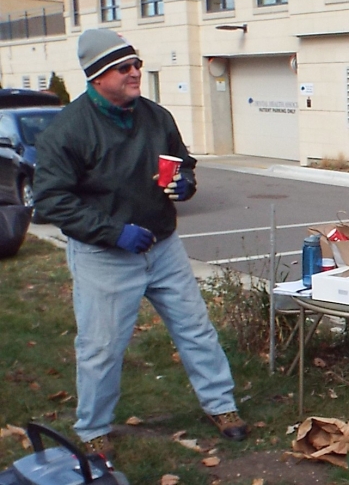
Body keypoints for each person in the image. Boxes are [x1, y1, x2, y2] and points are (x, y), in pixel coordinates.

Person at [32, 29, 248, 458]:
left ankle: (221, 404)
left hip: (162, 247)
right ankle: (93, 428)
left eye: (136, 65)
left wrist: (184, 182)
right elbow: (53, 200)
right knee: (101, 347)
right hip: (104, 256)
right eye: (123, 68)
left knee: (196, 329)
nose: (134, 73)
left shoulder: (156, 116)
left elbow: (182, 161)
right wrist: (114, 232)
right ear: (97, 77)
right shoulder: (68, 130)